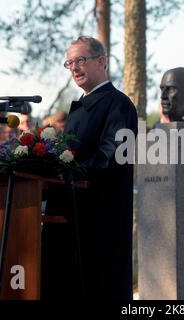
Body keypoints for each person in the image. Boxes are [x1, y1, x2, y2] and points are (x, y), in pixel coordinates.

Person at [41, 36, 138, 300]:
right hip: (69, 217)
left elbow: (113, 158)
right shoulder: (78, 110)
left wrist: (67, 174)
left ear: (101, 61)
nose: (74, 67)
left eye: (80, 60)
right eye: (69, 62)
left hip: (99, 221)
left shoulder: (118, 104)